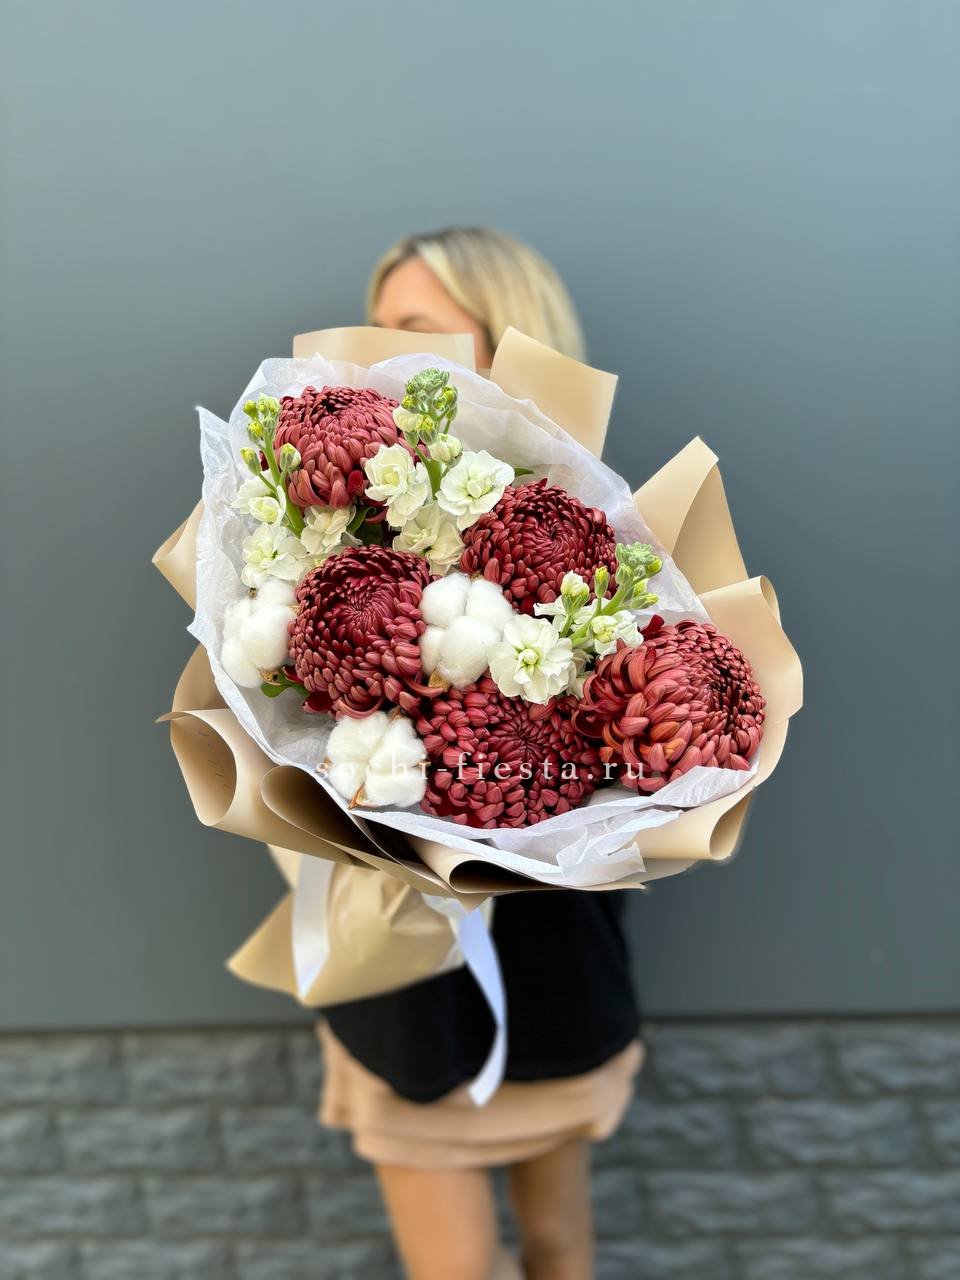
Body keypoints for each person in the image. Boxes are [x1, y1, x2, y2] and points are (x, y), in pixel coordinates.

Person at [317, 227, 642, 1280]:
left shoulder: (594, 524)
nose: (375, 352)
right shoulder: (339, 522)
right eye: (373, 326)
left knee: (559, 1246)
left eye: (410, 328)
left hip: (555, 956)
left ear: (506, 339)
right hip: (405, 975)